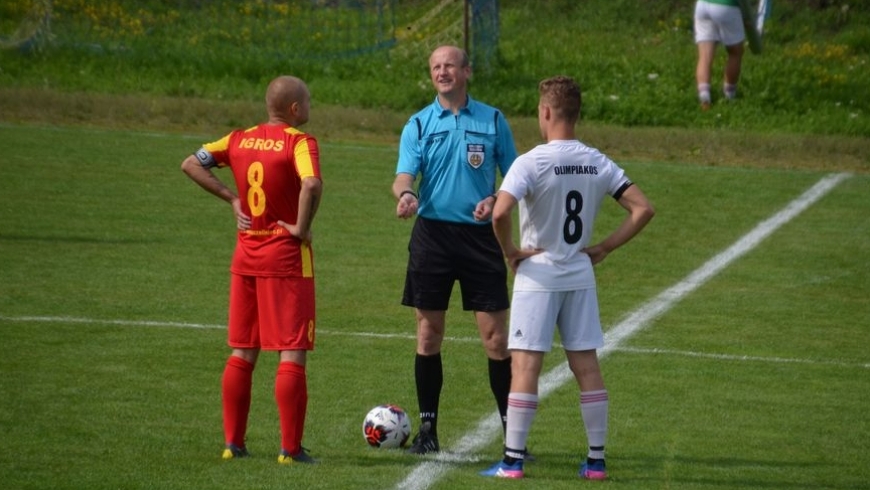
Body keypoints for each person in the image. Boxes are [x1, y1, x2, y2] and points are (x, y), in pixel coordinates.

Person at [480, 75, 655, 480]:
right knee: (587, 366)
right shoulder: (597, 160)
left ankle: (512, 462)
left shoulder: (531, 161)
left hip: (537, 277)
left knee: (525, 367)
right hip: (579, 273)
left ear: (545, 112)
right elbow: (643, 209)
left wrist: (510, 252)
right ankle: (596, 462)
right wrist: (605, 247)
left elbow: (500, 213)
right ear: (576, 114)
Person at [180, 75, 323, 465]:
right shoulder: (299, 142)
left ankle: (233, 443)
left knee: (243, 350)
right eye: (307, 100)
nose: (310, 106)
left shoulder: (238, 139)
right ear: (294, 109)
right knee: (291, 352)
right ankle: (290, 449)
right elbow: (311, 184)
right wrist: (300, 226)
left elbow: (190, 162)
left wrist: (231, 198)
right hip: (286, 259)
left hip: (246, 257)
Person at [392, 45, 518, 455]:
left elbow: (518, 177)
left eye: (449, 65)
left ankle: (512, 437)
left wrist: (496, 197)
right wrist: (408, 195)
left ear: (466, 71)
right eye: (435, 67)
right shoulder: (418, 123)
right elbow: (404, 175)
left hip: (481, 239)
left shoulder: (494, 119)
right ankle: (428, 433)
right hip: (432, 239)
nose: (442, 72)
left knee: (496, 340)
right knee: (428, 335)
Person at [694, 0, 746, 110]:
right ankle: (729, 95)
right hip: (727, 5)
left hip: (702, 5)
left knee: (704, 56)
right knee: (735, 53)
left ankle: (704, 98)